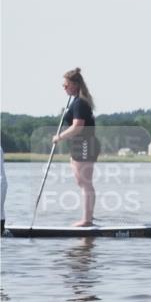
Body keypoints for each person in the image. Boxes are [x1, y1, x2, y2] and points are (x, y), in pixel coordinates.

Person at [51, 68, 99, 226]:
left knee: (85, 182)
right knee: (82, 182)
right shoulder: (75, 101)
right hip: (79, 145)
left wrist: (60, 137)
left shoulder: (79, 102)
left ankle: (86, 220)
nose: (64, 88)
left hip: (84, 143)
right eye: (63, 86)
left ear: (75, 85)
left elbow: (78, 126)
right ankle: (88, 218)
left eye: (66, 85)